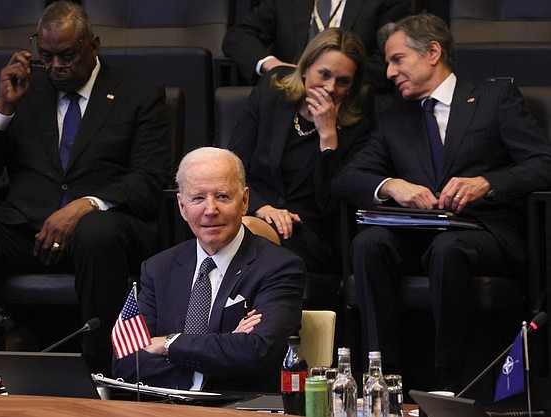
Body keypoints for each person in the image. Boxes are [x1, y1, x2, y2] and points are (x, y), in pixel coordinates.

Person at [0, 1, 170, 378]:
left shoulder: (138, 94)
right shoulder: (23, 92)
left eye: (67, 55)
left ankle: (102, 371)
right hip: (29, 230)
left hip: (104, 232)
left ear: (93, 45)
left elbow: (149, 179)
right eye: (46, 56)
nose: (56, 67)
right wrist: (2, 111)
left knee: (97, 232)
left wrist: (85, 205)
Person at [333, 13, 551, 390]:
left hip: (484, 232)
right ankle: (383, 376)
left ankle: (449, 380)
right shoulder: (394, 119)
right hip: (417, 235)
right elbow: (347, 178)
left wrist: (487, 182)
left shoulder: (493, 98)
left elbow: (543, 163)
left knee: (449, 249)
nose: (387, 72)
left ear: (432, 52)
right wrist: (391, 185)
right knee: (369, 243)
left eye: (397, 59)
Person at [112, 147, 305, 392]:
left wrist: (169, 343)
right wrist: (221, 350)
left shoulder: (279, 267)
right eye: (198, 198)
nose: (210, 210)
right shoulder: (158, 268)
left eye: (223, 196)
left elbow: (255, 353)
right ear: (182, 206)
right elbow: (127, 363)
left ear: (244, 201)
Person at [228, 28, 370, 275]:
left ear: (351, 87)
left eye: (343, 81)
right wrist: (262, 208)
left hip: (308, 236)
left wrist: (328, 137)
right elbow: (232, 167)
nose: (330, 87)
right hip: (255, 214)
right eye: (323, 74)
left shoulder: (357, 130)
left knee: (238, 236)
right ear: (305, 68)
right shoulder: (269, 99)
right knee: (228, 230)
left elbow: (330, 205)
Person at [222, 0, 410, 93]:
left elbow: (388, 61)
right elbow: (238, 37)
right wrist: (272, 65)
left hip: (349, 99)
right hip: (287, 95)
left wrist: (333, 76)